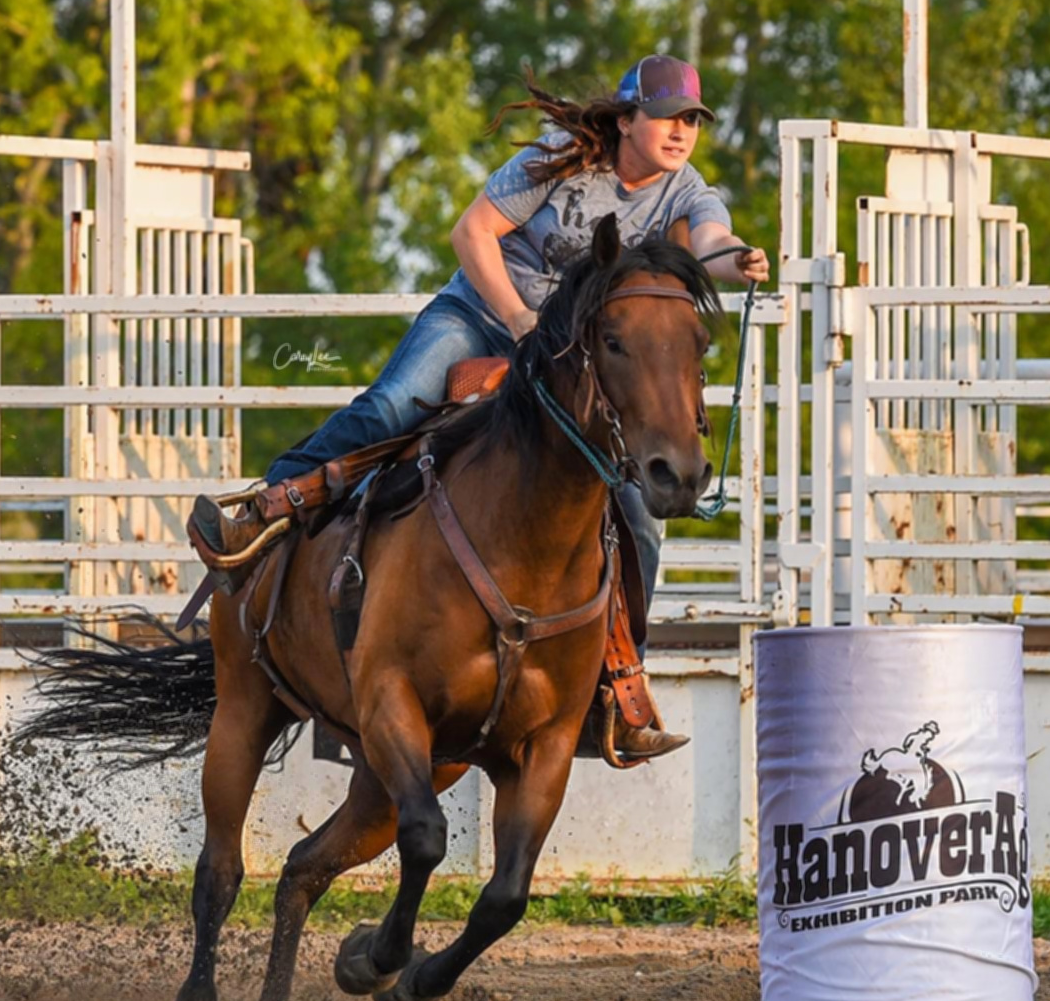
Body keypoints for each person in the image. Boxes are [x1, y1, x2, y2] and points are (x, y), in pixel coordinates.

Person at [197, 54, 769, 759]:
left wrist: (738, 258)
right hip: (486, 312)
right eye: (665, 118)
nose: (680, 132)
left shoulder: (688, 193)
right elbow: (472, 232)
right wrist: (518, 316)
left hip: (573, 355)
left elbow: (711, 243)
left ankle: (615, 679)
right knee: (393, 406)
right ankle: (272, 505)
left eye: (690, 121)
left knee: (636, 513)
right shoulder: (557, 162)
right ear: (626, 121)